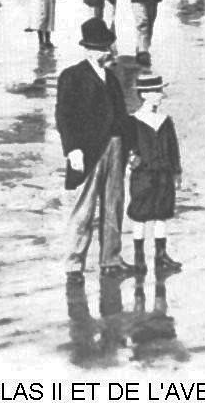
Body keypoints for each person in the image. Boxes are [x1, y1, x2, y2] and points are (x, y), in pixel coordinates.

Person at [55, 16, 133, 278]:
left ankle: (111, 259)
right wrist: (72, 149)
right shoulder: (72, 76)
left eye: (108, 47)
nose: (107, 52)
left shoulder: (111, 77)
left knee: (114, 205)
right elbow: (64, 116)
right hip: (88, 150)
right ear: (88, 49)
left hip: (115, 146)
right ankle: (74, 264)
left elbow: (121, 115)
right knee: (84, 209)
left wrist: (130, 148)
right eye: (101, 48)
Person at [126, 72, 183, 275]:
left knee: (162, 214)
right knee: (140, 215)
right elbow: (128, 148)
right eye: (156, 91)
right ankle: (139, 257)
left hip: (164, 174)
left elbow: (173, 149)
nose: (160, 95)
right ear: (145, 94)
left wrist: (176, 172)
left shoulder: (165, 121)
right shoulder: (133, 121)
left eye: (160, 90)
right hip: (143, 175)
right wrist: (131, 160)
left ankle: (161, 256)